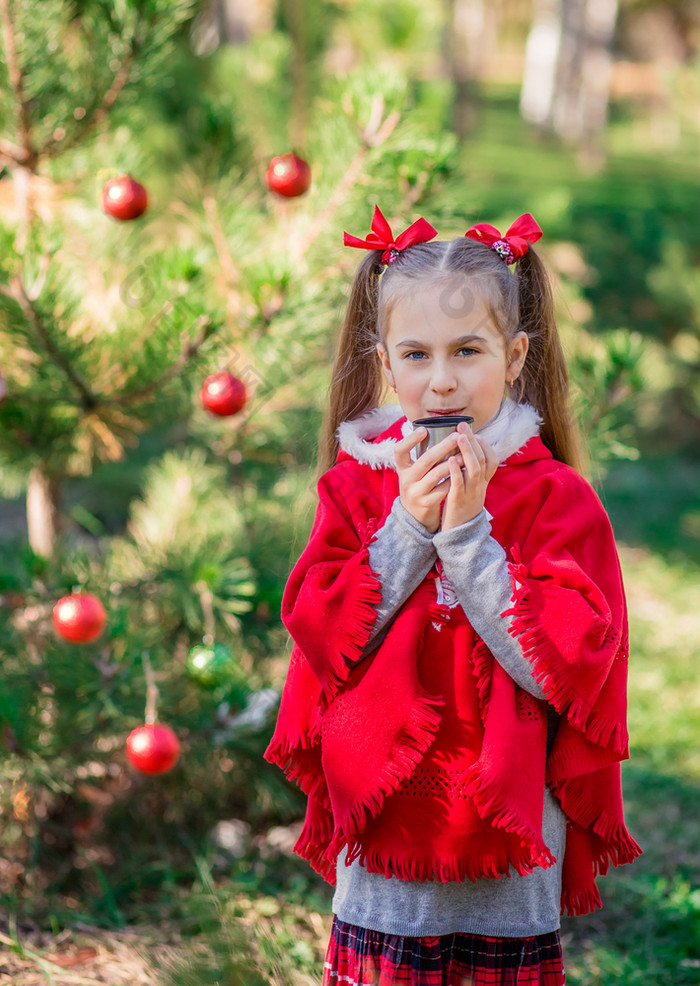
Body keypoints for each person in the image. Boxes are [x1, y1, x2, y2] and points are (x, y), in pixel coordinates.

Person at [265, 205, 641, 986]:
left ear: (514, 358)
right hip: (387, 832)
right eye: (417, 354)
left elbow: (562, 672)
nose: (441, 378)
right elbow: (328, 638)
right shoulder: (355, 490)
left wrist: (469, 538)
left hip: (508, 837)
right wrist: (408, 525)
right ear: (386, 364)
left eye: (467, 351)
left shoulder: (555, 499)